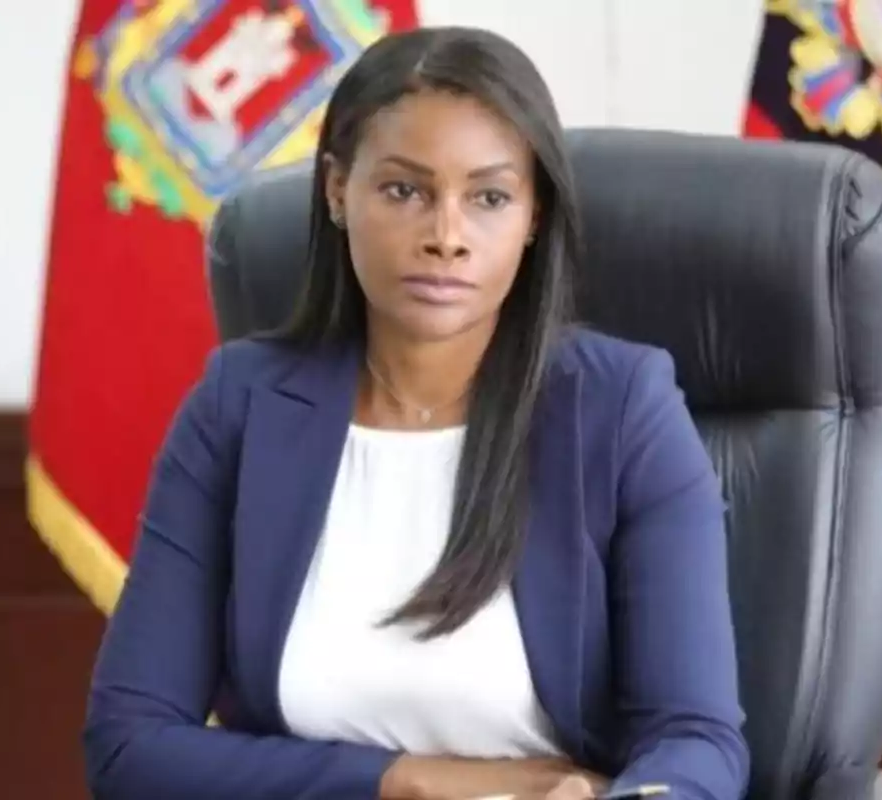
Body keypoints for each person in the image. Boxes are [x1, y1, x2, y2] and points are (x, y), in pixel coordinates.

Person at [82, 25, 749, 800]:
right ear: (338, 191)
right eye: (405, 190)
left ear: (533, 216)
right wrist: (409, 782)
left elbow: (696, 739)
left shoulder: (620, 409)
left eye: (490, 198)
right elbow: (128, 749)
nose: (447, 237)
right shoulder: (240, 407)